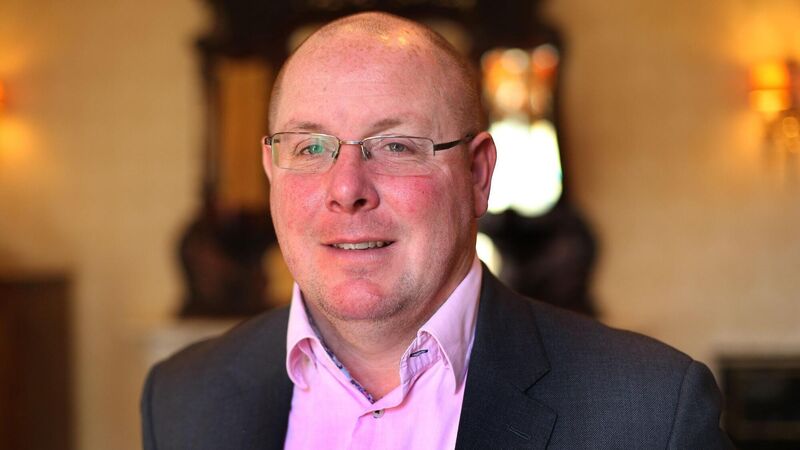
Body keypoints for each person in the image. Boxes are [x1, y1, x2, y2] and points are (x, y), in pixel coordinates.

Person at [141, 12, 733, 449]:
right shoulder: (182, 399)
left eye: (396, 146)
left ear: (477, 175)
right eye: (311, 146)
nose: (346, 188)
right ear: (271, 168)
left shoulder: (651, 412)